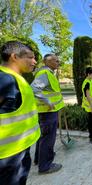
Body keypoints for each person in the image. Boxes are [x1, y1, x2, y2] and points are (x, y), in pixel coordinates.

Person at [0, 41, 40, 184]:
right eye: (30, 57)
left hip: (18, 151)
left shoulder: (15, 78)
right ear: (14, 57)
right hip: (7, 157)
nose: (34, 61)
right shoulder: (5, 79)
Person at [31, 54, 64, 174]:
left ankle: (39, 160)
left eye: (58, 60)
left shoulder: (48, 74)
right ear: (47, 62)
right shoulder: (45, 74)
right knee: (48, 139)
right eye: (56, 60)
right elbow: (34, 89)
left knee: (43, 138)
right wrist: (48, 102)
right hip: (48, 112)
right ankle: (45, 166)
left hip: (47, 112)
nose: (58, 62)